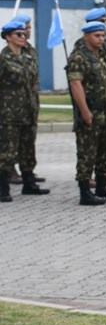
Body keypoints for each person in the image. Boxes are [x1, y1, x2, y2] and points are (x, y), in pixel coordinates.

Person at [66, 21, 106, 206]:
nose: (101, 39)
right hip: (91, 111)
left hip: (105, 113)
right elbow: (76, 85)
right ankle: (85, 192)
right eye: (96, 35)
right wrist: (85, 112)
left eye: (102, 35)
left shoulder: (103, 56)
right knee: (87, 153)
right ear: (86, 36)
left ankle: (100, 187)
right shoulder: (79, 57)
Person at [0, 19, 48, 202]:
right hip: (9, 112)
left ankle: (29, 183)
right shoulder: (3, 59)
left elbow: (33, 82)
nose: (23, 37)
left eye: (24, 34)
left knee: (28, 148)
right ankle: (3, 187)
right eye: (18, 34)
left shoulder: (27, 57)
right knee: (7, 150)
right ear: (8, 37)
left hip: (28, 109)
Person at [79, 7, 106, 186]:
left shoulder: (104, 45)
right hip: (91, 103)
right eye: (103, 20)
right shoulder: (82, 49)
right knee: (89, 146)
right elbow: (77, 81)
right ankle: (86, 179)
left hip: (105, 102)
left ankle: (103, 176)